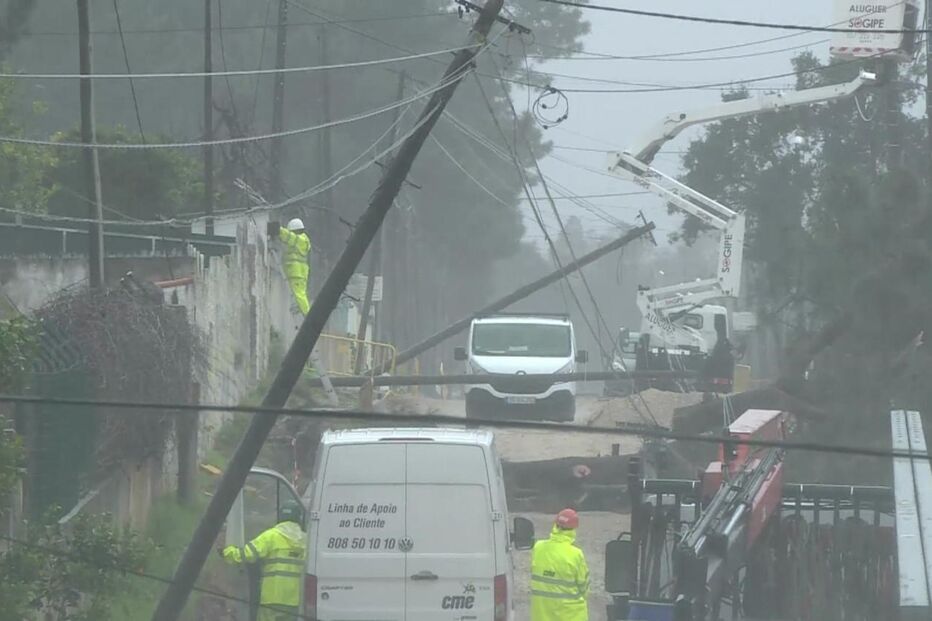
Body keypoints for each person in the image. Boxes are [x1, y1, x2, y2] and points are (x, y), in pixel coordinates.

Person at [222, 501, 307, 621]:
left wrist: (228, 552)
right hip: (295, 600)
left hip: (271, 598)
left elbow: (247, 554)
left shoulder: (271, 536)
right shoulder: (306, 541)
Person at [530, 508, 590, 621]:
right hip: (571, 616)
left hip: (541, 616)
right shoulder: (575, 554)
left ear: (555, 525)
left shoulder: (538, 547)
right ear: (573, 529)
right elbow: (584, 587)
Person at [268, 218, 312, 315]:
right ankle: (303, 311)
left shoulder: (301, 240)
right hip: (296, 272)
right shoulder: (298, 241)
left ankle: (307, 316)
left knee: (300, 295)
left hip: (297, 273)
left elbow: (289, 237)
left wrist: (279, 230)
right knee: (299, 295)